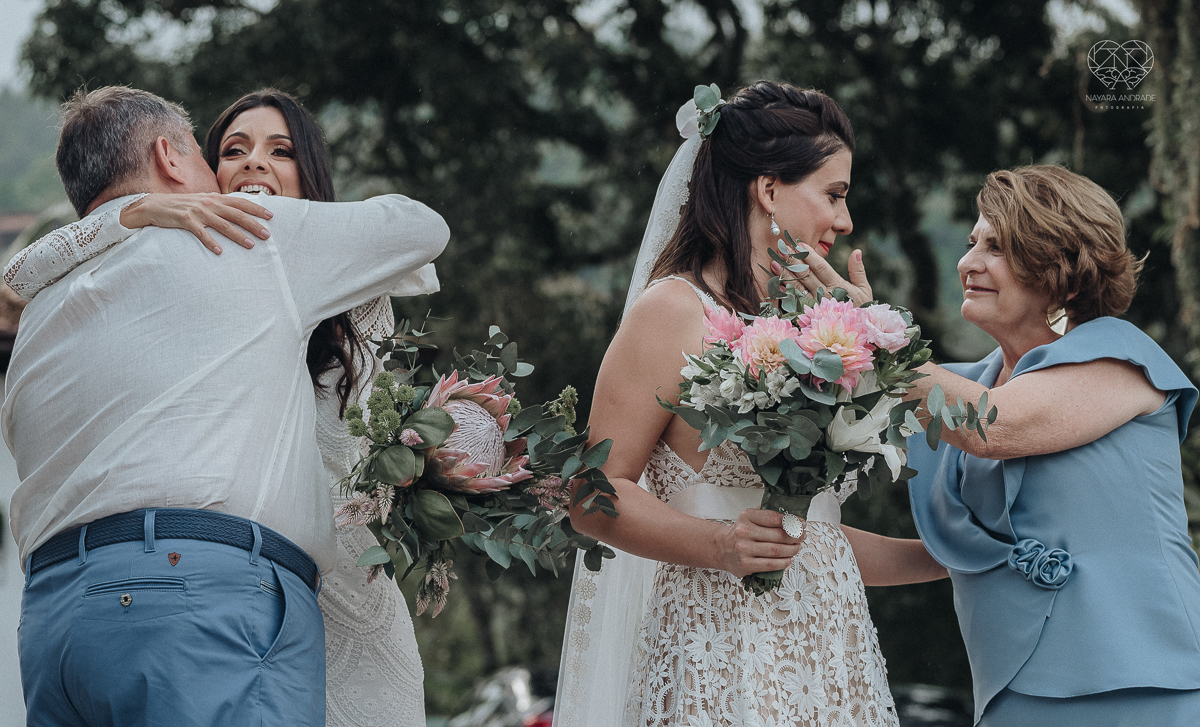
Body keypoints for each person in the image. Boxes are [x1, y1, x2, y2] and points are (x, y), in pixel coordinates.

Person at [2, 86, 448, 726]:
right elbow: (421, 226)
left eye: (281, 150)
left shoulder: (42, 308)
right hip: (198, 598)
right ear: (171, 155)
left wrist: (122, 215)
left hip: (53, 624)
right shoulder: (246, 235)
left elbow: (20, 273)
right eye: (226, 153)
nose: (244, 172)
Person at [555, 81, 943, 727]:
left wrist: (953, 559)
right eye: (834, 194)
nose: (845, 221)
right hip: (717, 646)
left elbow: (810, 536)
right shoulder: (672, 311)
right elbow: (592, 491)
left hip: (829, 643)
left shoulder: (817, 333)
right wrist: (717, 544)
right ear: (768, 190)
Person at [900, 165, 1200, 726]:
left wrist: (860, 337)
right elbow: (950, 556)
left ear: (1063, 273)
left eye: (997, 247)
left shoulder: (1119, 358)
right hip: (1013, 692)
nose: (968, 263)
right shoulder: (961, 382)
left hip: (1144, 680)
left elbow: (995, 427)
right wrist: (807, 546)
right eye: (971, 243)